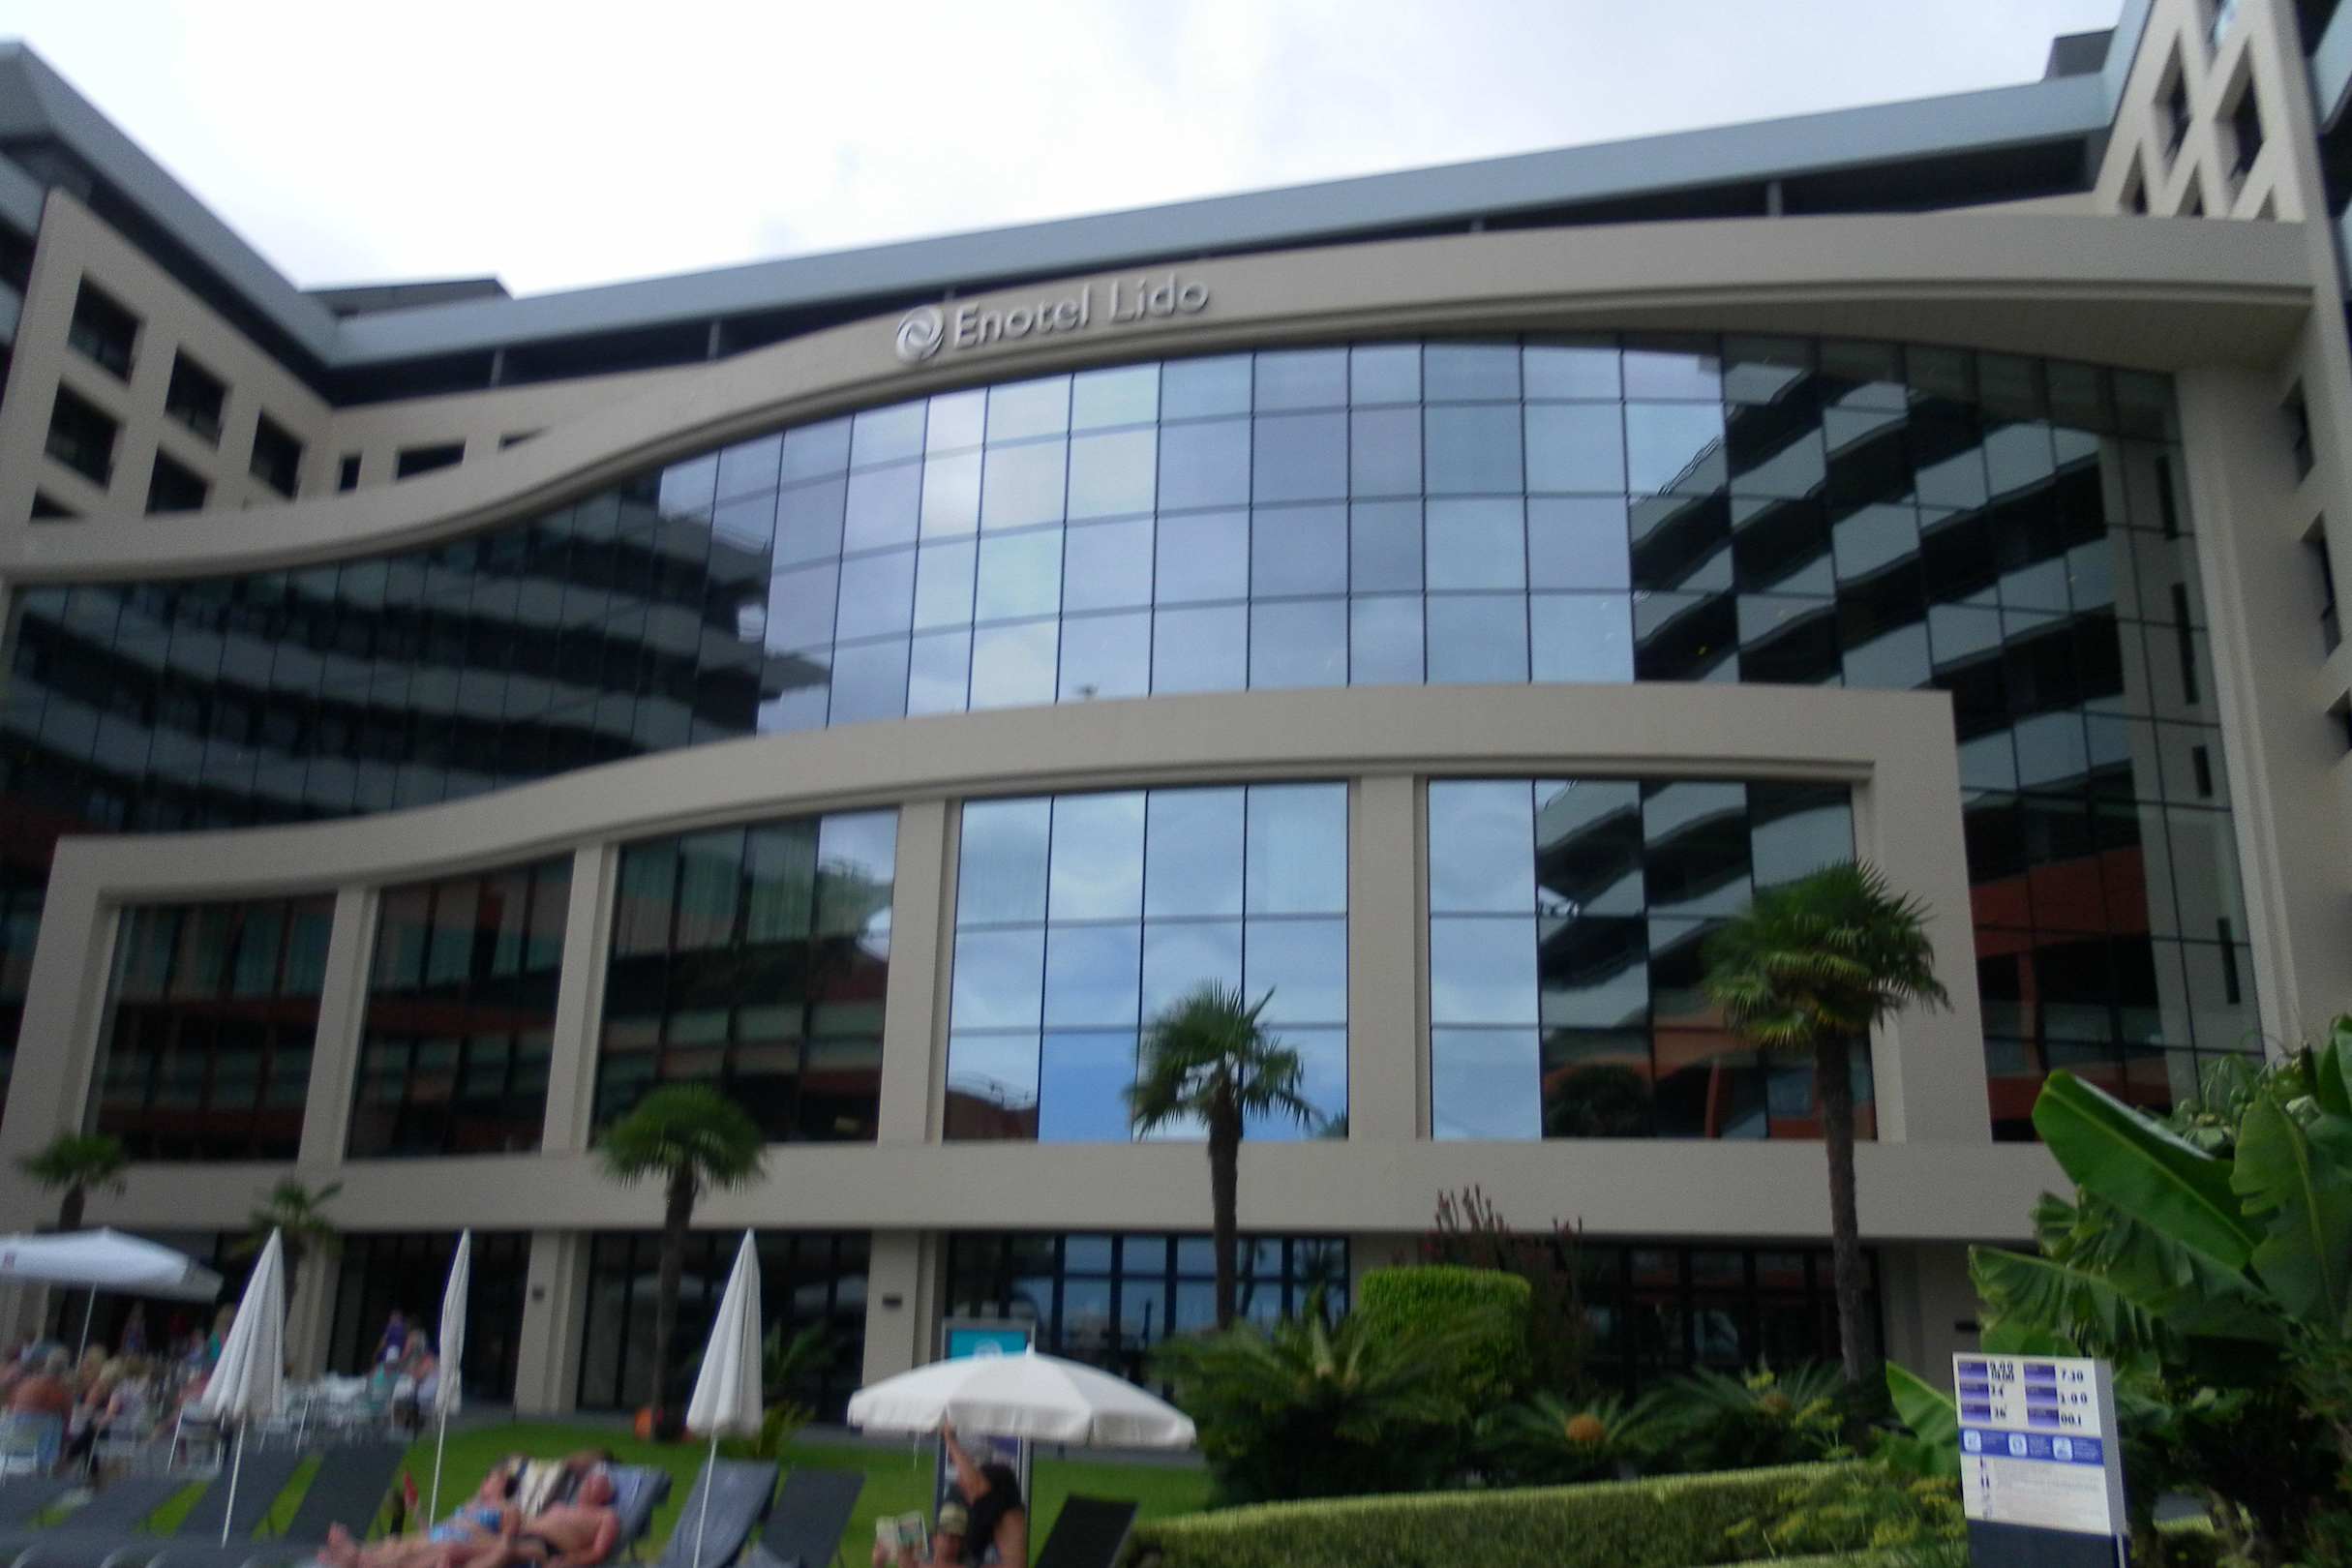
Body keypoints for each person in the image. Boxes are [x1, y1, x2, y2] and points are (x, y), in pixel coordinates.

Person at [318, 1462, 522, 1568]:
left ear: (502, 1486)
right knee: (392, 1546)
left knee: (398, 1553)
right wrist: (415, 1509)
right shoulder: (471, 1504)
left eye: (492, 1479)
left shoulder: (505, 1508)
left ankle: (350, 1557)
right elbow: (432, 1530)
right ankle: (351, 1555)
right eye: (487, 1478)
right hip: (440, 1536)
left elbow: (504, 1541)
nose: (485, 1481)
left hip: (457, 1542)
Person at [937, 1423, 1026, 1566]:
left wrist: (950, 1439)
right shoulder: (988, 1513)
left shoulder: (1002, 1501)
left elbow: (975, 1484)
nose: (961, 1485)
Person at [490, 1471, 620, 1568]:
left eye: (596, 1482)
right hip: (517, 1535)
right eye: (588, 1480)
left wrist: (569, 1561)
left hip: (544, 1549)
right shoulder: (559, 1506)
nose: (588, 1483)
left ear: (607, 1494)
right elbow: (531, 1521)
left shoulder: (606, 1516)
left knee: (496, 1553)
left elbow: (598, 1552)